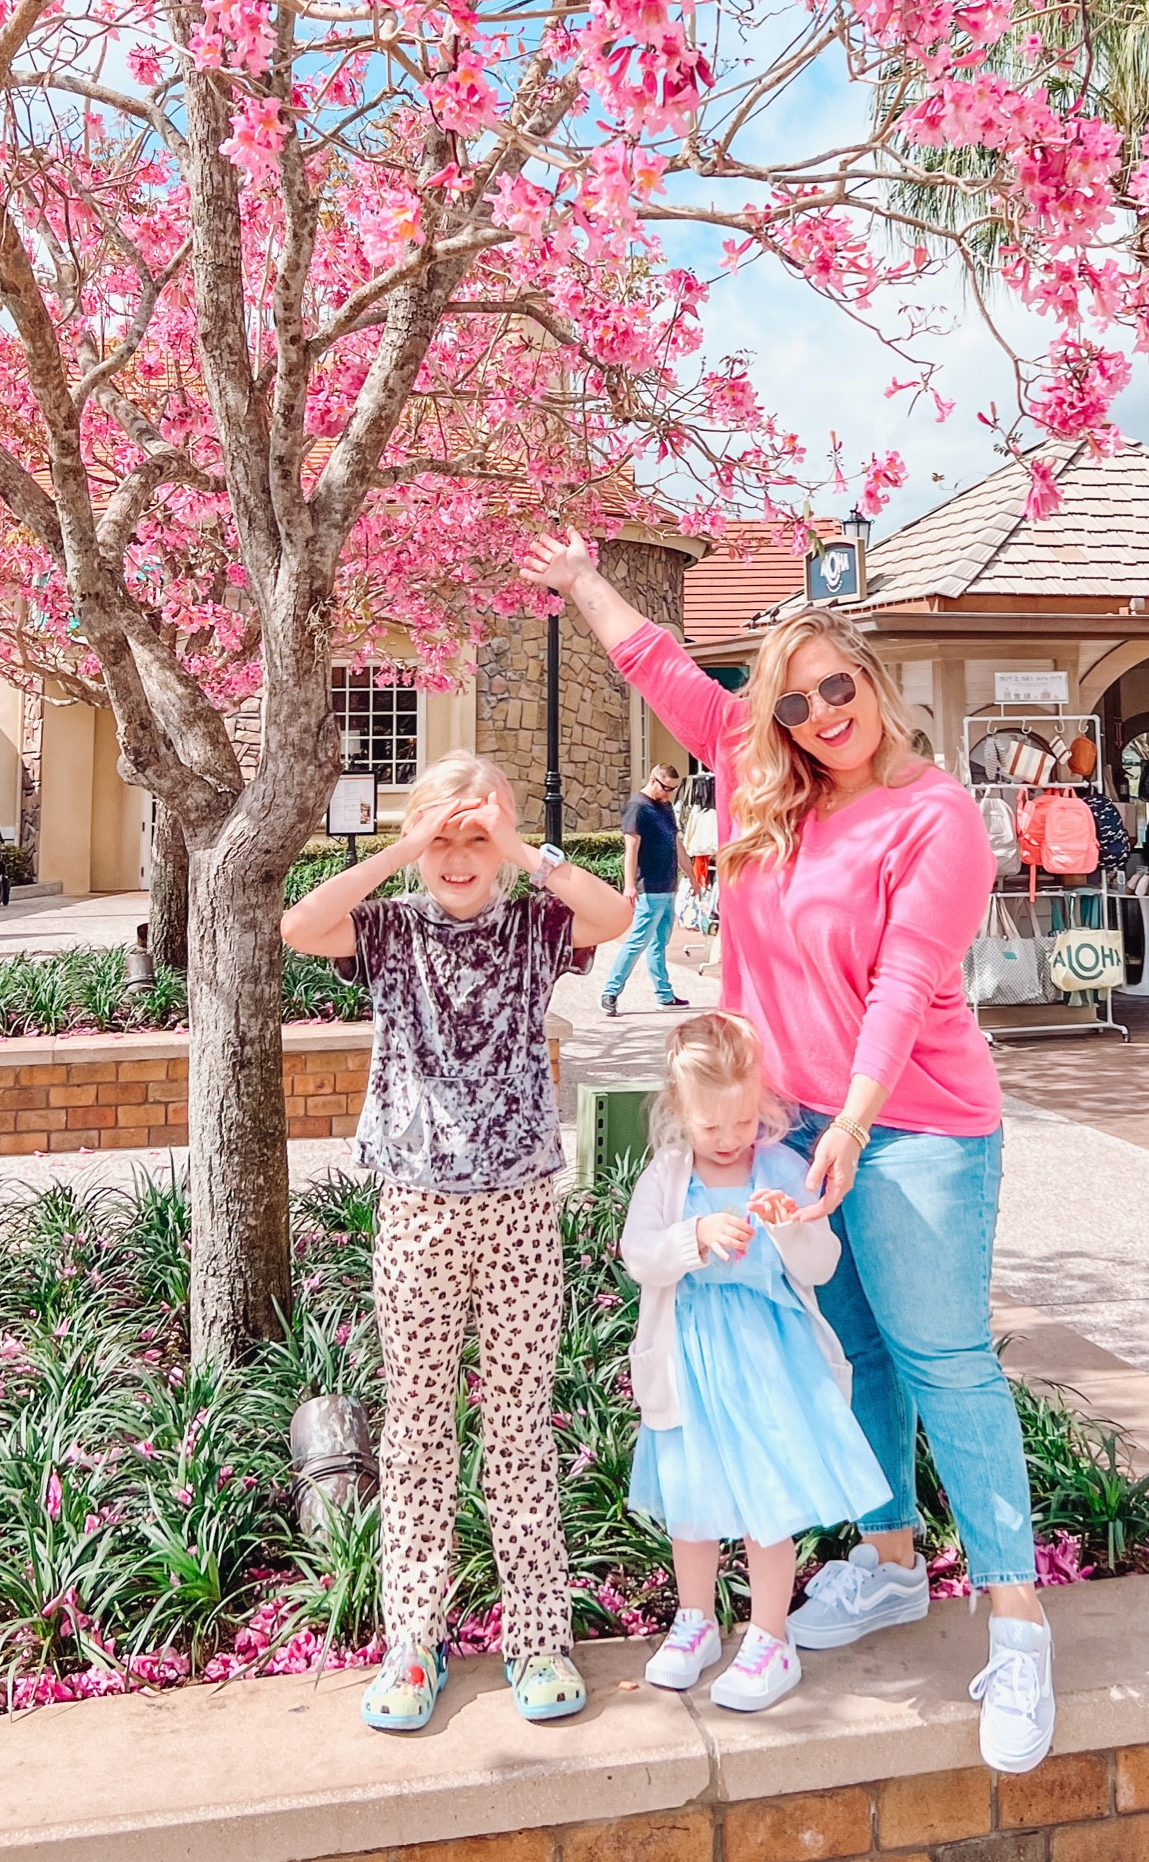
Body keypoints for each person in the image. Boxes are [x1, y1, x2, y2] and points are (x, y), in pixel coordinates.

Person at [520, 531, 1055, 1776]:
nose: (820, 715)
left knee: (945, 1359)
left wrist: (852, 1125)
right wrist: (582, 580)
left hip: (912, 1123)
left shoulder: (934, 817)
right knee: (851, 1347)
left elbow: (908, 985)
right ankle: (884, 1560)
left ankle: (1017, 1620)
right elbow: (661, 669)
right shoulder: (766, 786)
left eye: (836, 687)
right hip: (792, 1124)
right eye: (795, 700)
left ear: (872, 680)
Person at [281, 752, 633, 1733]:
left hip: (519, 1204)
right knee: (417, 1435)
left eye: (478, 840)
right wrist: (405, 842)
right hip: (418, 1208)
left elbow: (614, 917)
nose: (461, 856)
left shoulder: (533, 922)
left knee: (519, 1430)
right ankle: (412, 1638)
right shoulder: (389, 929)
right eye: (447, 839)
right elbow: (299, 926)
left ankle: (535, 1636)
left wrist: (519, 843)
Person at [621, 1012, 890, 1713]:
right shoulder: (667, 1177)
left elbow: (822, 1264)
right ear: (680, 1114)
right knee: (692, 1497)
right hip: (693, 1360)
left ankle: (770, 1635)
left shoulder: (778, 1168)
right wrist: (693, 1235)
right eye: (711, 1128)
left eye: (741, 1121)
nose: (729, 1138)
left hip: (769, 1362)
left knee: (766, 1500)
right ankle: (695, 1620)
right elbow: (639, 1255)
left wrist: (784, 1228)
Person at [601, 762, 689, 1016]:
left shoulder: (665, 807)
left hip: (668, 885)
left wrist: (691, 875)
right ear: (653, 780)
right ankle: (610, 991)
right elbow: (631, 849)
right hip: (648, 887)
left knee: (659, 942)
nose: (668, 793)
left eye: (673, 789)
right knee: (637, 941)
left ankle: (664, 994)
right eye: (665, 788)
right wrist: (629, 885)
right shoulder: (637, 808)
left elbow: (675, 842)